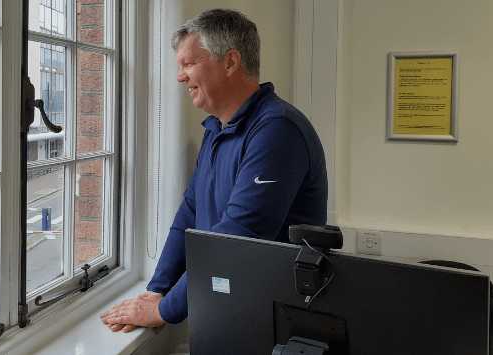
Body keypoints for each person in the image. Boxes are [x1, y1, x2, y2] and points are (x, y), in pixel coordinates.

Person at [100, 8, 328, 333]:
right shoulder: (217, 129)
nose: (180, 76)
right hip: (224, 308)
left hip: (272, 321)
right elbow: (190, 214)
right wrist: (158, 289)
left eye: (189, 64)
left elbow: (237, 239)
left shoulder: (277, 130)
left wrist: (165, 310)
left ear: (230, 62)